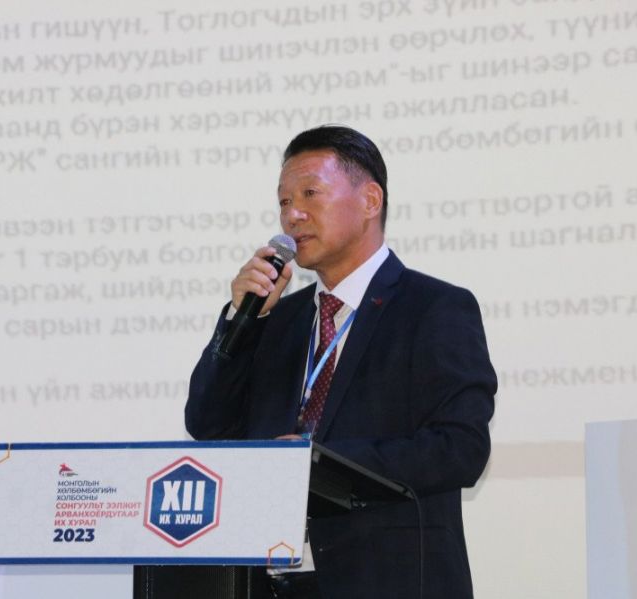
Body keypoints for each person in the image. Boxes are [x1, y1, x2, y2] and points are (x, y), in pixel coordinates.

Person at [185, 125, 497, 598]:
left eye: (310, 194)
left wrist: (317, 463)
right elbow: (207, 424)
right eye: (284, 201)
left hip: (385, 582)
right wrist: (241, 320)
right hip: (271, 584)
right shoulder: (277, 320)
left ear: (370, 200)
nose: (292, 215)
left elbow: (460, 449)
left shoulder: (434, 307)